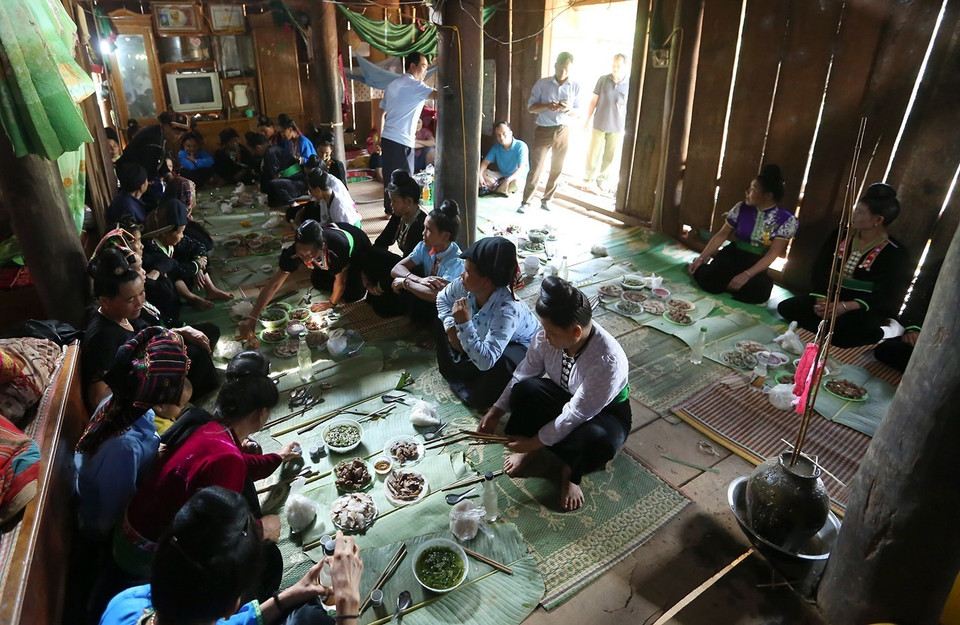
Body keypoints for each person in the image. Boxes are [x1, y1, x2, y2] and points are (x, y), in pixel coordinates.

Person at [116, 374, 300, 579]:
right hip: (145, 556)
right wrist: (262, 528)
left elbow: (243, 462)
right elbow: (218, 536)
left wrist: (278, 458)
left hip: (128, 532)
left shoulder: (211, 429)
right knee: (268, 559)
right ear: (261, 414)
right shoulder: (228, 460)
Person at [100, 489, 364, 625]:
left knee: (305, 610)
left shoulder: (127, 603)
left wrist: (290, 594)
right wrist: (348, 607)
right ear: (230, 608)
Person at [479, 277, 631, 511]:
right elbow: (524, 373)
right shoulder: (547, 335)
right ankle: (536, 450)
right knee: (525, 390)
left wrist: (532, 442)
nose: (544, 335)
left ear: (576, 331)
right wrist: (496, 411)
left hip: (605, 415)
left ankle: (570, 473)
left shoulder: (607, 361)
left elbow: (576, 415)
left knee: (594, 438)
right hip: (567, 396)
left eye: (550, 331)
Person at [75, 327, 190, 541]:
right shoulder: (124, 446)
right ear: (161, 398)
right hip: (106, 526)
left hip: (134, 470)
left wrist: (153, 455)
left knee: (193, 424)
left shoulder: (125, 403)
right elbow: (119, 508)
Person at [82, 246, 220, 411]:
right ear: (105, 301)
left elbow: (147, 335)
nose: (140, 302)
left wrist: (182, 331)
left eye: (141, 293)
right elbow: (99, 397)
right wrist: (150, 381)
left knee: (208, 333)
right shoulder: (103, 338)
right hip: (148, 384)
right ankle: (203, 407)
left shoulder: (124, 313)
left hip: (152, 360)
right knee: (198, 356)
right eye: (131, 299)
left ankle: (204, 393)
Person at [778, 183, 911, 348]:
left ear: (878, 220)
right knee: (786, 308)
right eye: (856, 210)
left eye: (860, 212)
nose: (853, 215)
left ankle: (886, 330)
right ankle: (828, 325)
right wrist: (822, 300)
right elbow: (820, 268)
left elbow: (888, 295)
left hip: (859, 307)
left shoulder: (896, 253)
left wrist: (847, 306)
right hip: (830, 298)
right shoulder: (840, 234)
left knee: (844, 335)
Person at [435, 237, 540, 411]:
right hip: (483, 334)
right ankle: (459, 376)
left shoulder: (507, 311)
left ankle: (481, 398)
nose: (462, 274)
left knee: (500, 363)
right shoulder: (465, 284)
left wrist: (465, 324)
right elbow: (442, 299)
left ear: (487, 280)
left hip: (519, 347)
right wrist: (451, 328)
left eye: (468, 271)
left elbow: (486, 361)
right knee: (441, 321)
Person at [239, 220, 372, 343]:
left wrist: (331, 303)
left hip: (358, 249)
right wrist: (252, 318)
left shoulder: (336, 249)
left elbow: (341, 281)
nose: (304, 257)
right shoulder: (295, 252)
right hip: (330, 249)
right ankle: (325, 267)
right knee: (317, 281)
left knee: (353, 294)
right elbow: (274, 284)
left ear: (321, 246)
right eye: (301, 253)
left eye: (308, 254)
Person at [689, 165, 797, 304]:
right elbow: (722, 235)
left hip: (756, 261)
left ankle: (728, 283)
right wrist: (701, 258)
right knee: (708, 279)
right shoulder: (741, 208)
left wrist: (746, 275)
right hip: (733, 254)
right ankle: (724, 280)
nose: (747, 192)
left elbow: (772, 254)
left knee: (760, 292)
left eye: (753, 189)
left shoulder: (786, 220)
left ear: (768, 195)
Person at [141, 199, 233, 318]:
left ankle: (211, 289)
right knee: (172, 275)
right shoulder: (151, 248)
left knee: (195, 254)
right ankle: (191, 298)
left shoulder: (170, 238)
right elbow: (175, 270)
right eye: (180, 232)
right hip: (167, 290)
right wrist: (197, 265)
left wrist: (198, 262)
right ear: (164, 232)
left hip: (178, 273)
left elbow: (199, 245)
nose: (182, 236)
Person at [519, 52, 583, 213]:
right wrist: (547, 106)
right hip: (543, 129)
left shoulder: (575, 85)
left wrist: (567, 109)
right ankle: (526, 202)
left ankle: (547, 200)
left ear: (571, 68)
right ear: (555, 65)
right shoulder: (543, 83)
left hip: (563, 130)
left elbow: (579, 111)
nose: (563, 72)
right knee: (536, 167)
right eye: (560, 68)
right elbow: (531, 108)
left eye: (566, 69)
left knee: (557, 167)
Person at [379, 52, 437, 214]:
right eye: (424, 66)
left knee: (390, 176)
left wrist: (379, 135)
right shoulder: (415, 86)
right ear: (412, 66)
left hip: (388, 138)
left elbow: (381, 113)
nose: (426, 71)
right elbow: (440, 95)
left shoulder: (392, 85)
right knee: (406, 181)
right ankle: (404, 212)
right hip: (401, 140)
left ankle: (389, 211)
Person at [391, 200, 464, 325]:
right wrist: (419, 280)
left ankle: (439, 335)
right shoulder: (425, 247)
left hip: (446, 304)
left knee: (444, 312)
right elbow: (396, 269)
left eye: (429, 230)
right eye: (424, 228)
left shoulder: (456, 262)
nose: (423, 233)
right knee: (399, 280)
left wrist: (407, 282)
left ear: (445, 236)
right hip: (427, 292)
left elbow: (438, 296)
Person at [583, 53, 629, 191]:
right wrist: (587, 119)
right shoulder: (603, 80)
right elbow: (593, 101)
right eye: (614, 65)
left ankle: (602, 179)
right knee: (593, 152)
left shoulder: (629, 84)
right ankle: (588, 178)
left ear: (625, 66)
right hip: (600, 123)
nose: (615, 68)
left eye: (618, 65)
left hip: (617, 126)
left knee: (610, 155)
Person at [247, 131, 309, 211]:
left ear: (258, 148)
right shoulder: (270, 151)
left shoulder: (271, 152)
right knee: (271, 195)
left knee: (273, 184)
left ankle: (293, 204)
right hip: (288, 182)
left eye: (254, 151)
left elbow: (272, 175)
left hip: (298, 184)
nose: (254, 154)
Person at [375, 169, 425, 258]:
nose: (391, 205)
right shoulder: (399, 215)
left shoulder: (420, 225)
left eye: (394, 201)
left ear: (408, 202)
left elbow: (410, 261)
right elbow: (382, 241)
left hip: (415, 268)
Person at [297, 167, 362, 228]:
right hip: (339, 228)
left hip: (351, 230)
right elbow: (325, 221)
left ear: (318, 190)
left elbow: (346, 230)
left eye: (310, 190)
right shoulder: (324, 200)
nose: (310, 193)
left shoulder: (339, 206)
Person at [479, 121, 529, 196]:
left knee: (516, 184)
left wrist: (508, 180)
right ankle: (498, 189)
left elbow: (521, 169)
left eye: (504, 134)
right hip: (501, 177)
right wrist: (480, 176)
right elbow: (485, 163)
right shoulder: (496, 147)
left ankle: (492, 188)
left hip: (516, 178)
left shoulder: (521, 146)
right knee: (480, 173)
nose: (501, 137)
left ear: (511, 133)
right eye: (498, 135)